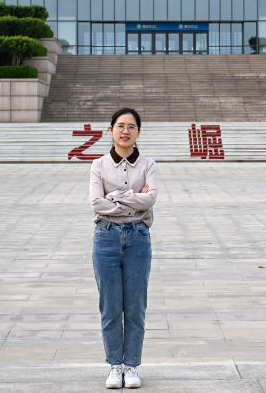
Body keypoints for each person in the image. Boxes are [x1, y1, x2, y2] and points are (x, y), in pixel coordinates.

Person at [89, 107, 158, 389]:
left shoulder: (148, 164)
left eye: (131, 126)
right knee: (110, 306)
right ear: (111, 131)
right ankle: (114, 366)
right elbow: (96, 203)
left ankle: (132, 366)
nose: (125, 131)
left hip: (138, 238)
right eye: (120, 126)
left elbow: (151, 198)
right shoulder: (98, 165)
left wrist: (114, 197)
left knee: (135, 306)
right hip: (105, 238)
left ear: (138, 132)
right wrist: (132, 198)